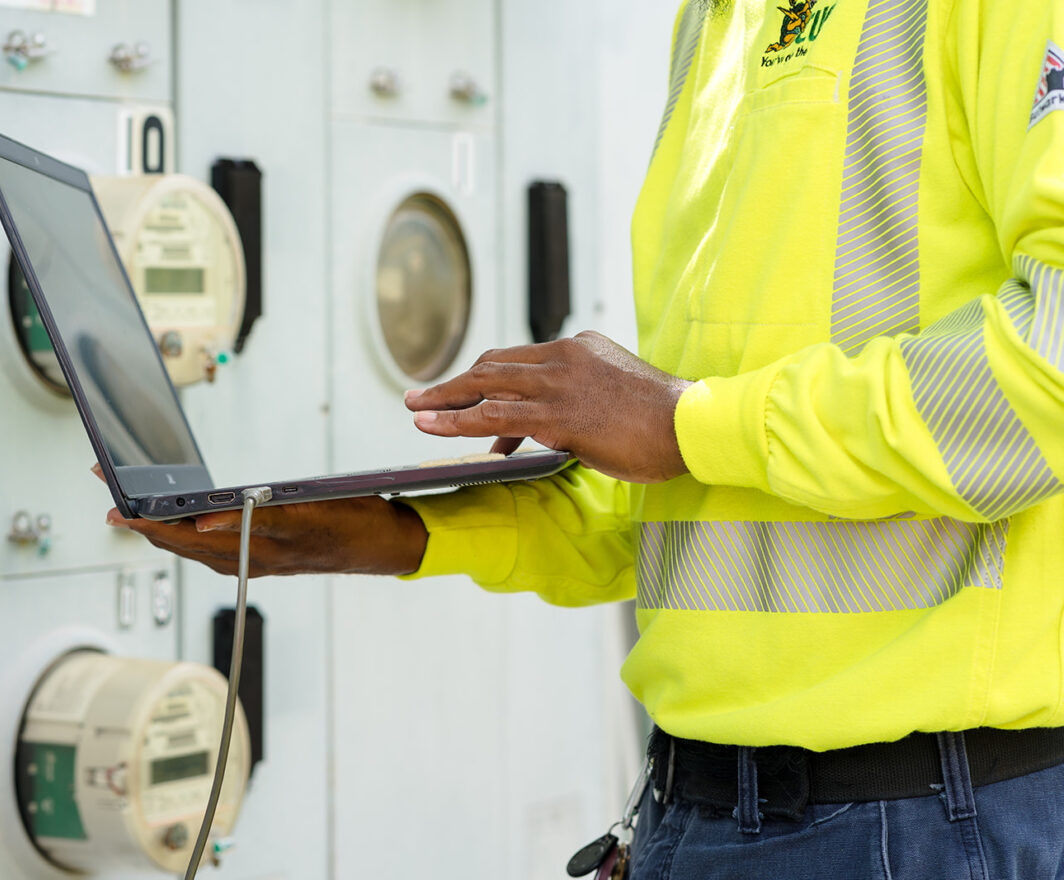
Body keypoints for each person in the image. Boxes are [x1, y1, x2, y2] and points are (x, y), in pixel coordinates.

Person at [107, 0, 1064, 876]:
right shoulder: (715, 22)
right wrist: (408, 533)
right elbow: (695, 493)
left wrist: (684, 420)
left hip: (924, 819)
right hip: (707, 808)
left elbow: (1047, 374)